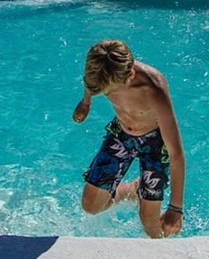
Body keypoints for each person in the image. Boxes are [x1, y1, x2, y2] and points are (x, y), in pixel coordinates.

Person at [73, 40, 185, 239]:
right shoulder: (102, 70)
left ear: (130, 75)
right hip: (122, 132)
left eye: (111, 89)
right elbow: (91, 81)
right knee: (90, 206)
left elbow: (176, 152)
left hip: (155, 143)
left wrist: (175, 208)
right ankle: (132, 190)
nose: (109, 93)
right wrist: (86, 102)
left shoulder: (154, 88)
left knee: (151, 226)